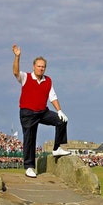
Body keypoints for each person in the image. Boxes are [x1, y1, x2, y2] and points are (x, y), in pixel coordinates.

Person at [12, 44, 71, 178]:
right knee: (30, 138)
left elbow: (53, 97)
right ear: (34, 66)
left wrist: (59, 110)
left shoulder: (48, 80)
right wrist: (17, 57)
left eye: (43, 66)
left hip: (42, 112)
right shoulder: (26, 77)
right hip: (27, 113)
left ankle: (57, 148)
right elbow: (15, 72)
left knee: (61, 121)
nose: (41, 68)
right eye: (39, 66)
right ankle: (29, 167)